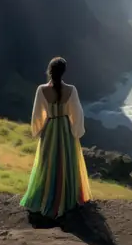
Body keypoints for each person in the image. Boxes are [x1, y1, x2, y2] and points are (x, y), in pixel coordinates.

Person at [20, 56, 91, 219]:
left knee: (47, 163)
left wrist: (38, 131)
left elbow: (37, 115)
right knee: (66, 162)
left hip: (50, 128)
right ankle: (66, 197)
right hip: (65, 129)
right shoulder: (71, 90)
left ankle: (46, 196)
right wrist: (76, 131)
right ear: (64, 72)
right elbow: (77, 114)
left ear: (49, 71)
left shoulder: (41, 89)